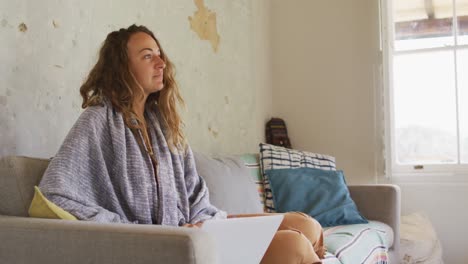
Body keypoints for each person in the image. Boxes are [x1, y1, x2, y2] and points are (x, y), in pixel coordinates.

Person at [39, 24, 325, 263]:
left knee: (307, 225)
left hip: (198, 228)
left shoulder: (163, 123)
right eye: (148, 56)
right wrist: (128, 230)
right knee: (294, 247)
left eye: (160, 55)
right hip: (166, 243)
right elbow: (56, 192)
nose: (161, 63)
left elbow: (195, 191)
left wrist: (201, 222)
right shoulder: (98, 119)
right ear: (122, 67)